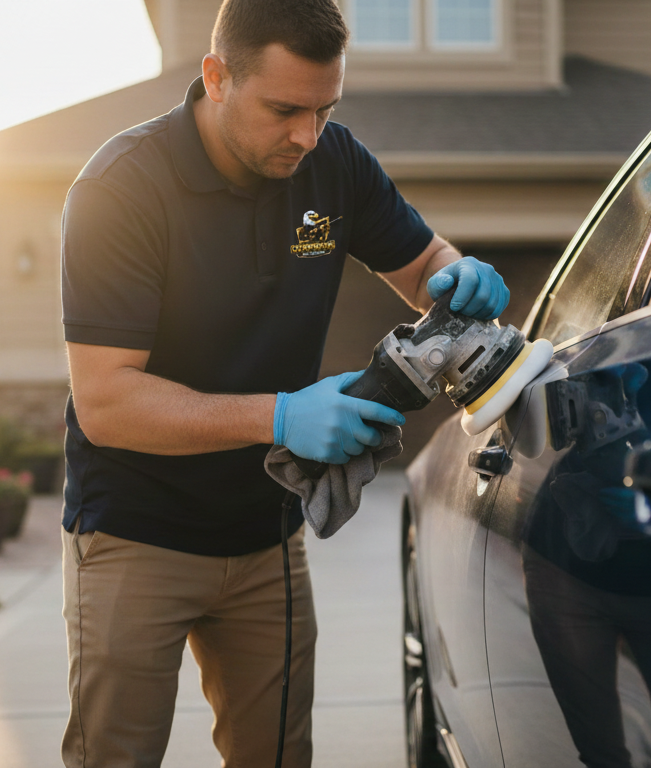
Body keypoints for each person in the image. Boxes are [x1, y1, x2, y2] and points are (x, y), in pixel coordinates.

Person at [58, 1, 509, 766]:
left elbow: (423, 263)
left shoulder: (333, 162)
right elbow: (106, 403)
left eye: (325, 109)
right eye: (284, 110)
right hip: (135, 533)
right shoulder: (120, 189)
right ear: (216, 77)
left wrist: (453, 275)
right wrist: (281, 416)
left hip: (268, 534)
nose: (306, 134)